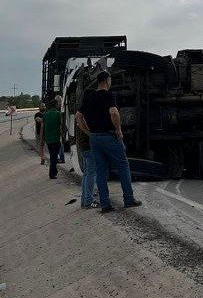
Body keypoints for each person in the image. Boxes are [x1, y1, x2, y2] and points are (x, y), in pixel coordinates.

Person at [75, 71, 142, 213]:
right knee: (123, 166)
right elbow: (114, 112)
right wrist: (118, 129)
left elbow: (78, 116)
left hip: (94, 138)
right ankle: (128, 199)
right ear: (107, 80)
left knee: (100, 171)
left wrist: (87, 131)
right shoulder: (109, 95)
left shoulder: (89, 97)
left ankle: (105, 204)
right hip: (109, 136)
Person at [76, 91, 98, 209]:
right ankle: (89, 201)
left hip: (83, 146)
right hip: (89, 146)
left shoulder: (81, 111)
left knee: (87, 174)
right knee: (91, 173)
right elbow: (89, 127)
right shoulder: (86, 112)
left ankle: (85, 201)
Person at [43, 98, 63, 179]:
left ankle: (54, 171)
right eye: (58, 104)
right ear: (56, 105)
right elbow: (61, 126)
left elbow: (43, 126)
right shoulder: (58, 114)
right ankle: (52, 173)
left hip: (48, 139)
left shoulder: (45, 114)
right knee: (54, 157)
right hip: (56, 138)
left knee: (52, 155)